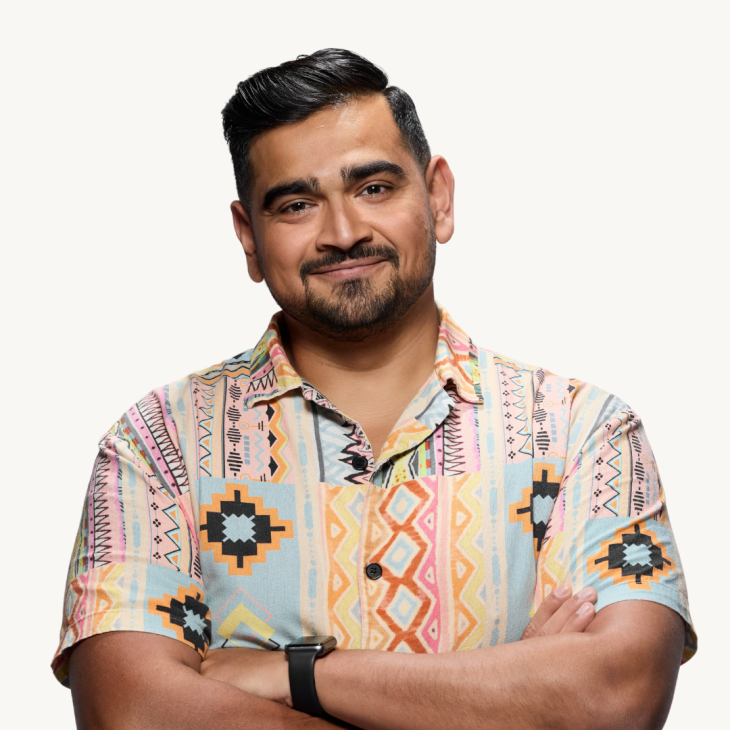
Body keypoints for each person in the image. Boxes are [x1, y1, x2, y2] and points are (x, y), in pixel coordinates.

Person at [53, 49, 696, 730]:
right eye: (297, 204)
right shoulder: (159, 445)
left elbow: (613, 700)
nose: (343, 232)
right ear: (249, 236)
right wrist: (502, 699)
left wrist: (292, 673)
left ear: (438, 196)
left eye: (375, 188)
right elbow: (133, 715)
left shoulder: (582, 432)